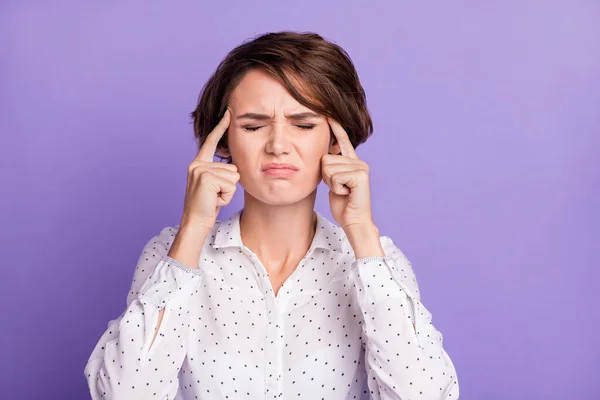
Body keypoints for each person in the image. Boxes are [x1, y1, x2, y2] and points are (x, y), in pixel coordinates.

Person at [84, 31, 459, 399]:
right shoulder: (171, 254)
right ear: (224, 141)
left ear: (335, 140)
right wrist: (194, 228)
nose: (278, 145)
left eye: (304, 124)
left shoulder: (378, 261)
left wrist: (361, 232)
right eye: (253, 126)